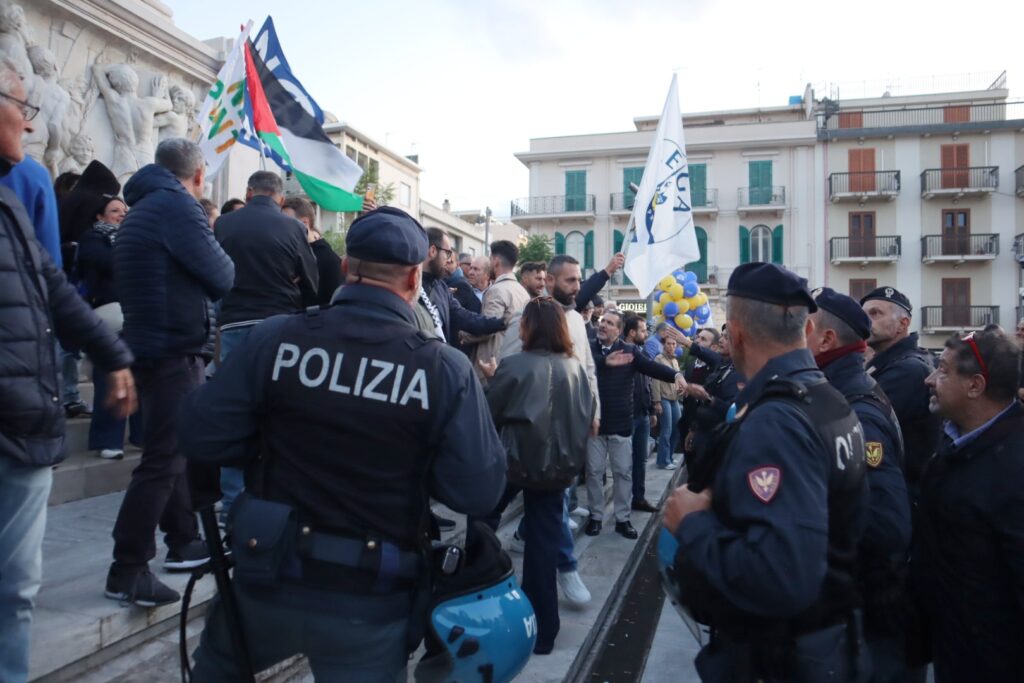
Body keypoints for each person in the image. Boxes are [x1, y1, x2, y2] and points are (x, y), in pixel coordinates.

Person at [178, 206, 507, 681]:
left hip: (267, 578)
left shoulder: (275, 338)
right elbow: (477, 491)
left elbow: (200, 434)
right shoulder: (443, 369)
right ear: (415, 278)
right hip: (371, 600)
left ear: (347, 267)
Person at [663, 262, 869, 682]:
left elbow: (781, 576)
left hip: (781, 657)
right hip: (825, 642)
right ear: (806, 331)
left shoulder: (777, 420)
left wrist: (693, 522)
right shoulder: (828, 397)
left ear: (735, 334)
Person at [0, 63, 137, 683]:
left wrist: (111, 355)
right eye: (23, 107)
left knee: (16, 590)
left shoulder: (12, 195)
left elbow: (50, 287)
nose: (32, 124)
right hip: (16, 415)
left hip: (22, 420)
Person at [106, 138, 235, 606]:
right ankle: (127, 567)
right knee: (164, 458)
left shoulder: (143, 206)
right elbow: (222, 274)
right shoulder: (179, 209)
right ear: (199, 175)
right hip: (171, 346)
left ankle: (182, 539)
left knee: (175, 449)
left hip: (152, 341)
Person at [477, 298, 595, 655]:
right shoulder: (575, 368)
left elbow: (489, 415)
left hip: (516, 464)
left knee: (480, 525)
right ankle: (543, 633)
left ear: (528, 327)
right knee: (544, 551)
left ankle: (481, 599)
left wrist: (491, 379)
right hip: (559, 471)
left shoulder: (513, 365)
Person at [808, 288, 912, 683]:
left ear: (826, 340)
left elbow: (886, 529)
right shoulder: (838, 392)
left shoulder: (853, 409)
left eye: (803, 327)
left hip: (858, 613)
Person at [913, 328, 1024, 682]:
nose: (930, 379)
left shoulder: (1014, 469)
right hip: (954, 649)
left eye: (943, 370)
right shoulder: (955, 443)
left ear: (975, 386)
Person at [587, 310, 686, 539]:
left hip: (621, 424)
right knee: (593, 472)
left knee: (623, 473)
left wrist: (676, 375)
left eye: (610, 323)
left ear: (619, 330)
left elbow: (653, 368)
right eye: (603, 322)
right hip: (593, 424)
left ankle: (622, 519)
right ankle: (595, 517)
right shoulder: (588, 349)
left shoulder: (630, 351)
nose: (603, 326)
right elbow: (582, 367)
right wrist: (604, 362)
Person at [77, 195, 143, 459]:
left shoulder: (133, 238)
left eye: (124, 210)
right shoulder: (93, 238)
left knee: (140, 377)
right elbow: (108, 264)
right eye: (115, 210)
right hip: (109, 316)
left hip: (135, 315)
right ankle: (108, 440)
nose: (121, 214)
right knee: (108, 378)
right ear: (100, 216)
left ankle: (141, 435)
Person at [860, 287, 940, 500]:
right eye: (864, 314)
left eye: (876, 313)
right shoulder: (889, 363)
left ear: (902, 324)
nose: (866, 320)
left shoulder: (908, 370)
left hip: (904, 490)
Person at [468, 240, 530, 381]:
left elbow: (487, 328)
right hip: (515, 363)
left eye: (490, 258)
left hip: (492, 366)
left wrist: (463, 336)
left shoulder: (497, 290)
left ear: (495, 261)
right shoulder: (522, 291)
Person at [622, 314, 659, 512]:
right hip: (626, 416)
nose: (647, 334)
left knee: (640, 460)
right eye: (644, 330)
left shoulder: (642, 353)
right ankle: (623, 504)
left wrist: (652, 409)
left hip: (643, 415)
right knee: (623, 464)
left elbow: (647, 383)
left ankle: (639, 497)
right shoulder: (622, 354)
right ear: (632, 332)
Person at [282, 196, 342, 306]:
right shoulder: (288, 254)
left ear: (304, 223)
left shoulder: (328, 259)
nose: (281, 228)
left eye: (286, 223)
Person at [652, 336, 682, 470]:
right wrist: (657, 401)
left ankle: (669, 457)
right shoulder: (658, 359)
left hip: (674, 398)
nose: (671, 346)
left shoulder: (675, 360)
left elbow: (678, 378)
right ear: (664, 345)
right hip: (663, 398)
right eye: (669, 343)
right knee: (666, 429)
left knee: (678, 428)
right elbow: (655, 381)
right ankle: (663, 461)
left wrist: (682, 390)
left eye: (674, 344)